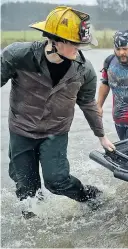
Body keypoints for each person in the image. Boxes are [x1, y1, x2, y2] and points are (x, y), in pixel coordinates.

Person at [1, 6, 116, 218]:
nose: (79, 49)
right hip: (21, 129)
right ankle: (34, 226)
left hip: (55, 131)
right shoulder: (18, 56)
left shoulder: (84, 69)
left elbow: (88, 103)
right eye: (75, 43)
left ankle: (91, 197)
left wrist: (101, 135)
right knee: (26, 192)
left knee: (57, 181)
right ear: (55, 41)